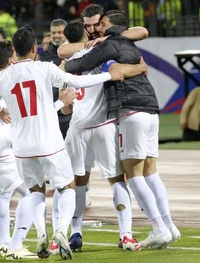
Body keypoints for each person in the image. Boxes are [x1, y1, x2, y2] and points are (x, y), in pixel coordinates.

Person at [0, 25, 125, 260]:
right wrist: (109, 75)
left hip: (22, 147)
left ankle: (39, 234)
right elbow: (75, 82)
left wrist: (1, 109)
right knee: (66, 187)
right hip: (49, 142)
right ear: (35, 48)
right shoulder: (44, 68)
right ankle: (60, 231)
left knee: (34, 192)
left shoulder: (2, 76)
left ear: (14, 50)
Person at [64, 11, 180, 249]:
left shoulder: (106, 47)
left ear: (105, 25)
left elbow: (78, 62)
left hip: (123, 114)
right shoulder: (128, 46)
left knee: (128, 176)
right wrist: (139, 67)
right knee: (148, 172)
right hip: (147, 109)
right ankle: (166, 227)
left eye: (99, 24)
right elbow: (136, 41)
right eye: (90, 26)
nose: (96, 29)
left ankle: (153, 229)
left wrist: (66, 65)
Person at [0, 40, 75, 258]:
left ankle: (3, 242)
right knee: (29, 193)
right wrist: (58, 104)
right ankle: (16, 245)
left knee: (5, 191)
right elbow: (28, 117)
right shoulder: (5, 82)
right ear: (10, 60)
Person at [59, 19, 147, 252]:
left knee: (76, 183)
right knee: (117, 180)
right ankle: (126, 234)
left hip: (77, 128)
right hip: (103, 125)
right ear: (87, 35)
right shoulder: (101, 54)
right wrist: (139, 67)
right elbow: (118, 72)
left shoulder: (65, 63)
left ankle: (75, 233)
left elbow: (66, 108)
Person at [57, 4, 149, 60]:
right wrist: (93, 44)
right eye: (88, 26)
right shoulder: (82, 36)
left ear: (103, 22)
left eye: (96, 24)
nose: (92, 30)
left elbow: (143, 32)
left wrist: (106, 39)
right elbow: (62, 51)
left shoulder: (111, 32)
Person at [39, 19, 71, 138]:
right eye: (53, 33)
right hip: (51, 112)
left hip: (70, 111)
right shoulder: (43, 57)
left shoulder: (74, 53)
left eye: (60, 32)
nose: (56, 36)